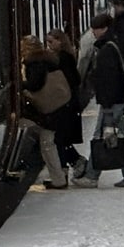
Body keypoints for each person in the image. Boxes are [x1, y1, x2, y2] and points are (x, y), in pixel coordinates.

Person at [80, 11, 124, 187]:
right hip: (115, 100)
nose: (93, 33)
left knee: (101, 136)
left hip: (111, 102)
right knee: (118, 136)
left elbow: (109, 80)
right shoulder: (113, 44)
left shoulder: (106, 50)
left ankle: (91, 176)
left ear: (104, 29)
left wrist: (106, 104)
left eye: (96, 29)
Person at [18, 36, 71, 190]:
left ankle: (59, 178)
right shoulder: (49, 60)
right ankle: (59, 175)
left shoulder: (34, 63)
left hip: (50, 108)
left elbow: (35, 85)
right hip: (60, 104)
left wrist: (21, 84)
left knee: (47, 142)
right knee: (49, 141)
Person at [44, 29, 87, 182]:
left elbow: (68, 80)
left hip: (64, 104)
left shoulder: (61, 59)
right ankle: (70, 165)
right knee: (62, 139)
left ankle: (68, 167)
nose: (48, 45)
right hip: (68, 103)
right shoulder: (66, 56)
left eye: (51, 41)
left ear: (60, 41)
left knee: (60, 139)